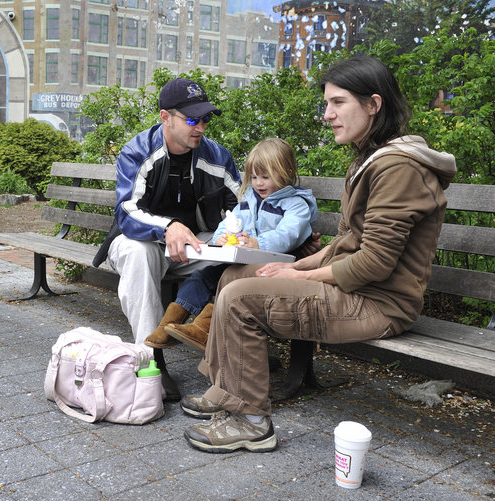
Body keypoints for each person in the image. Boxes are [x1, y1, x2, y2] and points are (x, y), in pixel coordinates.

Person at [180, 55, 457, 453]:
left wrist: (300, 278)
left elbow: (374, 262)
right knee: (234, 278)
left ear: (373, 104)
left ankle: (251, 421)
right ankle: (226, 391)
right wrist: (292, 265)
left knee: (242, 299)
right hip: (355, 291)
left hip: (379, 302)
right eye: (326, 103)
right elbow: (345, 242)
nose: (327, 114)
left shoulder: (398, 170)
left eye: (337, 102)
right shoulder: (369, 161)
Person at [92, 78, 240, 353]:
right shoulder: (137, 151)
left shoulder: (218, 157)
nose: (201, 127)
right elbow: (127, 212)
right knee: (139, 254)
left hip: (192, 246)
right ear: (166, 117)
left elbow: (243, 209)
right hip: (140, 243)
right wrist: (168, 227)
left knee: (238, 257)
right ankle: (150, 359)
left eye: (205, 119)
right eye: (192, 120)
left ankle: (238, 351)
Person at [144, 137, 318, 351]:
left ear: (287, 171)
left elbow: (288, 235)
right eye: (254, 177)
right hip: (246, 263)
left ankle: (206, 329)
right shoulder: (248, 201)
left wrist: (258, 243)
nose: (259, 183)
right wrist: (221, 238)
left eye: (266, 176)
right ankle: (170, 323)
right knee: (202, 276)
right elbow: (228, 223)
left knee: (232, 285)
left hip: (276, 268)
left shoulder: (296, 205)